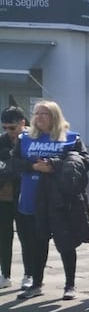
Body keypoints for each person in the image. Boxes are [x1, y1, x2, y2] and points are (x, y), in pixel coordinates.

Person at [13, 101, 89, 301]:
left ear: (54, 116)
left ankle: (70, 285)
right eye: (36, 113)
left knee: (66, 243)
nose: (38, 117)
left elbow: (83, 163)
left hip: (59, 200)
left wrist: (53, 166)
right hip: (32, 199)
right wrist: (33, 167)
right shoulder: (24, 139)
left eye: (44, 114)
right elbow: (13, 164)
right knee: (37, 244)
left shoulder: (71, 138)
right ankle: (36, 284)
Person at [0, 107, 28, 290]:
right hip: (3, 198)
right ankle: (5, 274)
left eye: (12, 128)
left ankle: (29, 274)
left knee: (28, 237)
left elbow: (26, 168)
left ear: (22, 123)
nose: (8, 132)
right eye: (5, 128)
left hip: (25, 196)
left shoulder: (30, 140)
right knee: (4, 237)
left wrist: (9, 168)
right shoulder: (1, 141)